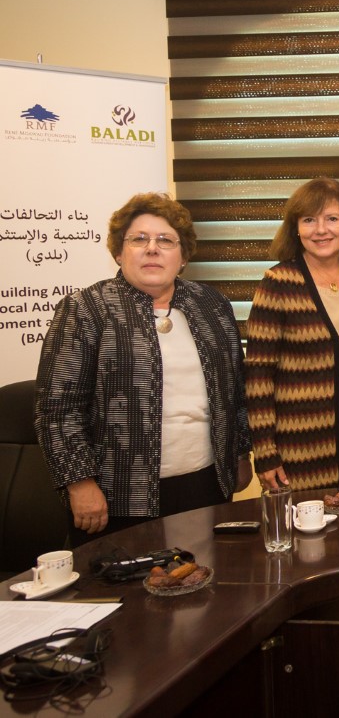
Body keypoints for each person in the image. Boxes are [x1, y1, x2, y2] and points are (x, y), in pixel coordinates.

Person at [36, 193, 252, 547]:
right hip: (117, 495)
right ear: (119, 253)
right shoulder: (86, 309)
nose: (153, 249)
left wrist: (241, 454)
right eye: (139, 239)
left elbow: (235, 391)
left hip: (206, 484)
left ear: (183, 256)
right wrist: (79, 483)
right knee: (128, 581)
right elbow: (58, 408)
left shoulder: (211, 305)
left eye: (166, 240)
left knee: (205, 576)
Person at [245, 177, 339, 492]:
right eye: (309, 220)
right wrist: (264, 450)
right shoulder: (277, 283)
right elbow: (259, 374)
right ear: (296, 228)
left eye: (332, 219)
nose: (321, 230)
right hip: (300, 447)